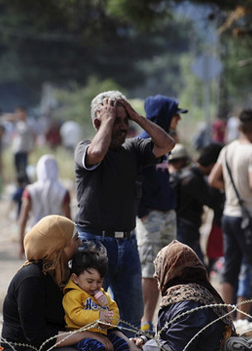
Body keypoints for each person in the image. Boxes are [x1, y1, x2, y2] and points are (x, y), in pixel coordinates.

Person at [1, 215, 231, 351]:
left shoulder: (65, 274)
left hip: (65, 339)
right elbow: (38, 338)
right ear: (59, 246)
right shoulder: (31, 279)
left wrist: (124, 340)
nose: (80, 242)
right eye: (74, 239)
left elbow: (99, 313)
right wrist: (88, 336)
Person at [74, 91, 176, 334]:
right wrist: (107, 121)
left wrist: (137, 117)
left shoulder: (133, 150)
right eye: (115, 121)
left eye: (124, 121)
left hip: (128, 244)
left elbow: (167, 144)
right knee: (88, 317)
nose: (122, 127)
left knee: (130, 318)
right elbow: (96, 154)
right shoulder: (84, 148)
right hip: (93, 244)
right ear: (98, 122)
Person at [134, 241, 235, 351]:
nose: (155, 275)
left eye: (160, 266)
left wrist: (143, 348)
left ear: (173, 269)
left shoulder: (189, 304)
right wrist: (144, 339)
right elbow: (171, 336)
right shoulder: (194, 294)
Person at [208, 108, 252, 318]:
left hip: (229, 215)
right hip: (248, 218)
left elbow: (212, 180)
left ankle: (226, 317)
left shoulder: (227, 149)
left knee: (230, 268)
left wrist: (231, 189)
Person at [136, 94, 187, 334]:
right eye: (176, 114)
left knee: (169, 268)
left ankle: (162, 319)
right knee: (149, 269)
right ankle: (145, 321)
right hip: (151, 216)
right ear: (164, 115)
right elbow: (132, 179)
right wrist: (142, 212)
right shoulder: (145, 142)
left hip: (167, 213)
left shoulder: (165, 143)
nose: (178, 119)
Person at [63, 241, 135, 351]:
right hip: (80, 336)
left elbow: (114, 312)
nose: (95, 286)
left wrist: (107, 315)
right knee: (89, 345)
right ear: (76, 278)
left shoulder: (101, 295)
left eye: (99, 281)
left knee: (120, 344)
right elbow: (75, 314)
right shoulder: (73, 294)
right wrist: (97, 317)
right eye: (90, 281)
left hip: (102, 333)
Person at [168, 143, 224, 262]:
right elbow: (211, 201)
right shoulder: (192, 179)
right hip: (185, 229)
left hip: (185, 227)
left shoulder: (191, 174)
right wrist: (216, 182)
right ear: (214, 164)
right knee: (196, 268)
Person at [18, 154, 71, 258]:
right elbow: (68, 220)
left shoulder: (30, 190)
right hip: (56, 238)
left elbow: (23, 219)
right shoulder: (63, 191)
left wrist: (21, 244)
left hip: (35, 235)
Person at [10, 105, 36, 183]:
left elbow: (34, 136)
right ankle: (20, 185)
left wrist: (32, 147)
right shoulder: (17, 123)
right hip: (16, 149)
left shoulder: (29, 123)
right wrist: (16, 116)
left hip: (24, 150)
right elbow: (7, 117)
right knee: (17, 169)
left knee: (24, 169)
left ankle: (26, 184)